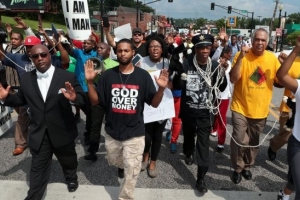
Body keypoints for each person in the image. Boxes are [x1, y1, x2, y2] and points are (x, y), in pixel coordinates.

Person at [84, 38, 169, 200]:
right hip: (112, 131)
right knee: (115, 159)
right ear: (116, 53)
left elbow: (155, 104)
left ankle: (125, 197)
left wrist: (161, 89)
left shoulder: (143, 76)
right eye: (120, 51)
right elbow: (95, 102)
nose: (123, 53)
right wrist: (89, 82)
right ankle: (122, 164)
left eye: (126, 50)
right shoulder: (107, 76)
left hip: (135, 132)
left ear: (133, 53)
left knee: (132, 170)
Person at [0, 44, 85, 199]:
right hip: (39, 131)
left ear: (50, 55)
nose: (40, 58)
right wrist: (6, 98)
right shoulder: (26, 78)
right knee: (37, 167)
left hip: (62, 130)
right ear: (31, 58)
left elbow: (81, 98)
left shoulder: (67, 76)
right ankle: (33, 196)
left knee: (68, 160)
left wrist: (74, 99)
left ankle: (71, 178)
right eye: (35, 56)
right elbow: (21, 99)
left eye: (43, 55)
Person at [0, 35, 69, 155]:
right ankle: (20, 144)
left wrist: (59, 44)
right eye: (27, 47)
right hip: (26, 96)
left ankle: (53, 143)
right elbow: (2, 56)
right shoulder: (19, 58)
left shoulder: (46, 57)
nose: (29, 49)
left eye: (32, 46)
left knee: (46, 122)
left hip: (44, 98)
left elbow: (65, 61)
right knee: (22, 119)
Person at [229, 28, 280, 184]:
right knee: (239, 139)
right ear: (252, 40)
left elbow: (279, 82)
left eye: (263, 40)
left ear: (267, 42)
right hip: (240, 107)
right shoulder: (241, 55)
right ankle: (238, 167)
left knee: (254, 142)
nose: (260, 42)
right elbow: (233, 78)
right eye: (257, 39)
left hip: (260, 110)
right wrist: (240, 59)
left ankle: (247, 166)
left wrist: (285, 64)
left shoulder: (272, 59)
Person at [180, 34, 228, 193]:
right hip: (188, 111)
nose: (205, 50)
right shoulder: (186, 64)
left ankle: (200, 178)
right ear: (195, 49)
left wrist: (221, 73)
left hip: (205, 114)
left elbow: (221, 88)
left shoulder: (215, 65)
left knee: (203, 146)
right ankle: (188, 152)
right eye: (201, 47)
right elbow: (177, 84)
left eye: (208, 47)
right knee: (188, 138)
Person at [139, 35, 169, 178]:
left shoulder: (168, 63)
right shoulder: (141, 62)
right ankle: (145, 155)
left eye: (158, 46)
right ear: (148, 49)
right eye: (152, 46)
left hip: (163, 105)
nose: (155, 49)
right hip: (146, 106)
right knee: (147, 136)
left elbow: (174, 86)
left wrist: (164, 83)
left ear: (162, 49)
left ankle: (153, 162)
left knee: (157, 136)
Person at [84, 42, 119, 161]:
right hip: (98, 97)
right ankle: (93, 151)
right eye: (97, 48)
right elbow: (88, 80)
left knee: (114, 124)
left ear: (109, 51)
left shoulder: (115, 64)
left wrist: (103, 72)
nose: (99, 49)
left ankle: (117, 153)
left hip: (112, 98)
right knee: (95, 124)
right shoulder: (93, 62)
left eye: (102, 48)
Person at [276, 36, 300, 200]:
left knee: (294, 180)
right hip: (298, 145)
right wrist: (296, 49)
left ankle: (284, 193)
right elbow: (281, 75)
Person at [268, 52, 300, 161]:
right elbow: (278, 82)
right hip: (289, 109)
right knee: (286, 135)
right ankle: (274, 145)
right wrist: (284, 64)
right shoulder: (293, 62)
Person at [70, 36, 97, 145]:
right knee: (86, 110)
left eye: (87, 43)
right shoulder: (78, 53)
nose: (85, 44)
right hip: (80, 88)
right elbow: (69, 50)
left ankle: (89, 135)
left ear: (93, 45)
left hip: (91, 88)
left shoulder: (97, 54)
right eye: (84, 42)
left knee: (90, 113)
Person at [211, 46, 232, 152]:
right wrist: (220, 46)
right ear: (224, 53)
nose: (230, 55)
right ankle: (214, 129)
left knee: (222, 117)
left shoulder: (229, 64)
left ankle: (221, 142)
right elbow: (213, 59)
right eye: (229, 53)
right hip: (215, 93)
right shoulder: (215, 62)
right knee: (216, 113)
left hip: (224, 95)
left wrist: (223, 66)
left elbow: (225, 72)